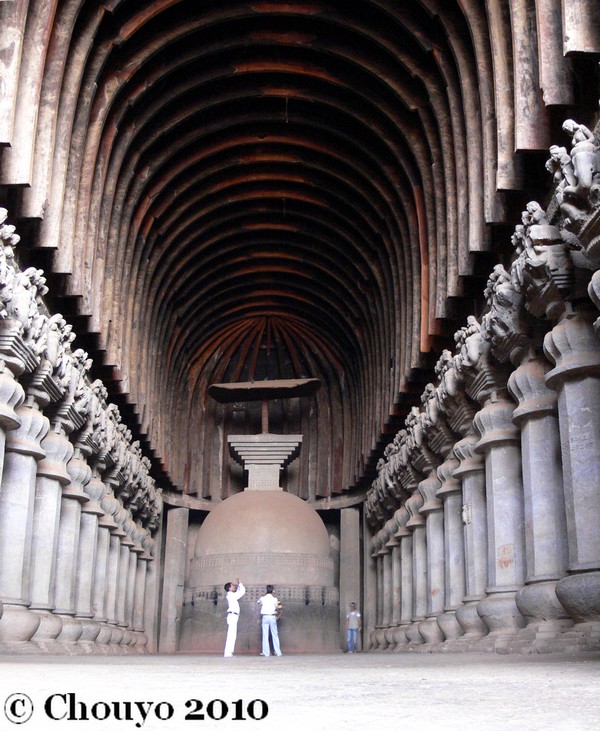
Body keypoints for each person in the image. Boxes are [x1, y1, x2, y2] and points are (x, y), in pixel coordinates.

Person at [256, 585, 283, 657]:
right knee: (275, 634)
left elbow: (258, 602)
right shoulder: (275, 599)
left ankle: (266, 653)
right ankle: (278, 652)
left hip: (265, 617)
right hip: (272, 617)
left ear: (266, 590)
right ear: (273, 591)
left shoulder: (262, 598)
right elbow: (279, 607)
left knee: (265, 635)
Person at [223, 577, 245, 657]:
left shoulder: (232, 595)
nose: (234, 587)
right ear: (229, 588)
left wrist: (239, 585)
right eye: (232, 586)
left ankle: (229, 652)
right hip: (232, 616)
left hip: (234, 616)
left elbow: (239, 592)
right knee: (231, 635)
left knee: (232, 635)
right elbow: (241, 592)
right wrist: (240, 583)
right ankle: (228, 653)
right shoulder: (230, 595)